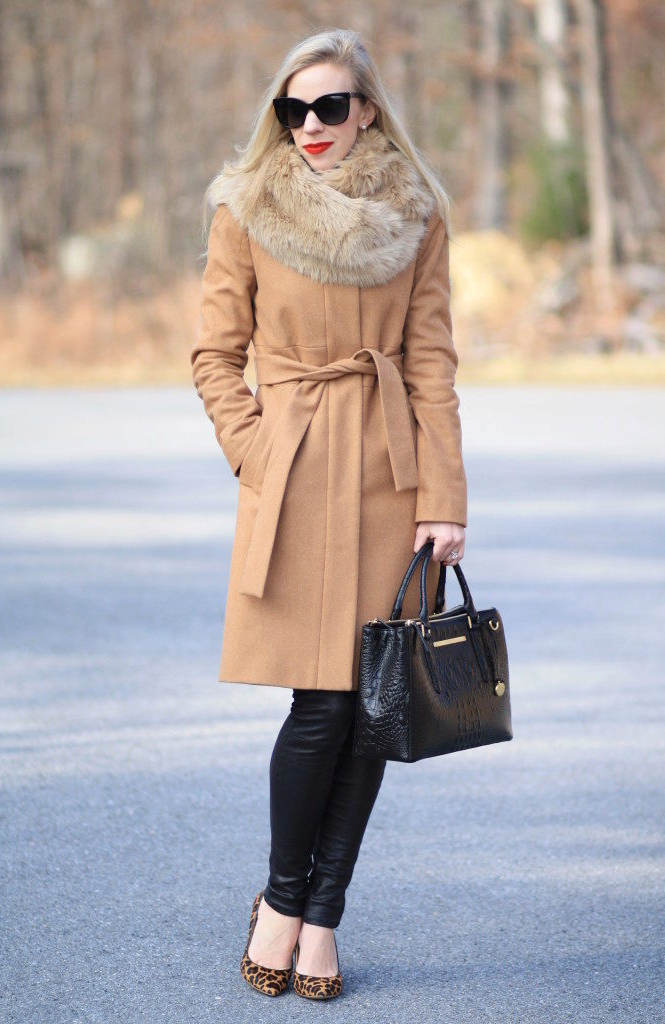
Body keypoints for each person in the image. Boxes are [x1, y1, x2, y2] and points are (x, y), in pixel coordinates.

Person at [191, 28, 467, 1001]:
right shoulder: (247, 209)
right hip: (297, 474)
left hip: (391, 479)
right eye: (292, 108)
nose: (309, 124)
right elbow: (213, 356)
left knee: (373, 705)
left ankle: (322, 916)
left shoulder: (416, 213)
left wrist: (443, 499)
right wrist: (257, 451)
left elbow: (431, 365)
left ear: (367, 111)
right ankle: (279, 901)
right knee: (322, 703)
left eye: (329, 106)